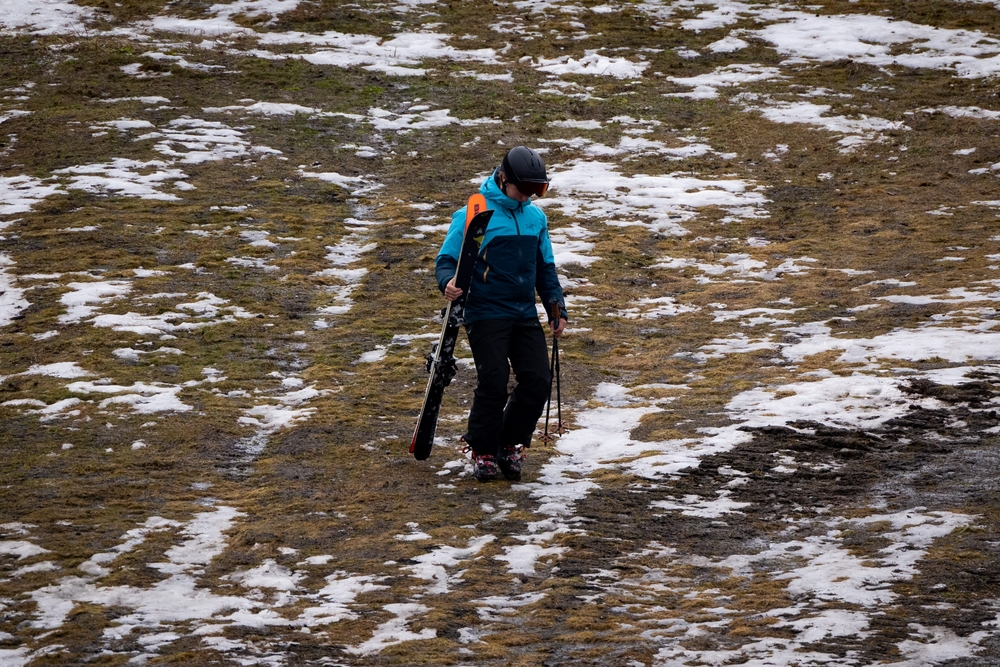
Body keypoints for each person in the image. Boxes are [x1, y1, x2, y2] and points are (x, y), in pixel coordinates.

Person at [436, 146, 568, 482]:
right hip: (485, 311)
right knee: (494, 379)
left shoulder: (535, 218)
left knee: (538, 379)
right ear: (505, 178)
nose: (528, 196)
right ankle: (482, 449)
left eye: (536, 190)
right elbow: (447, 261)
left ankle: (508, 443)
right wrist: (447, 284)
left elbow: (545, 267)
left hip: (523, 311)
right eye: (524, 188)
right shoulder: (476, 212)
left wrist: (556, 308)